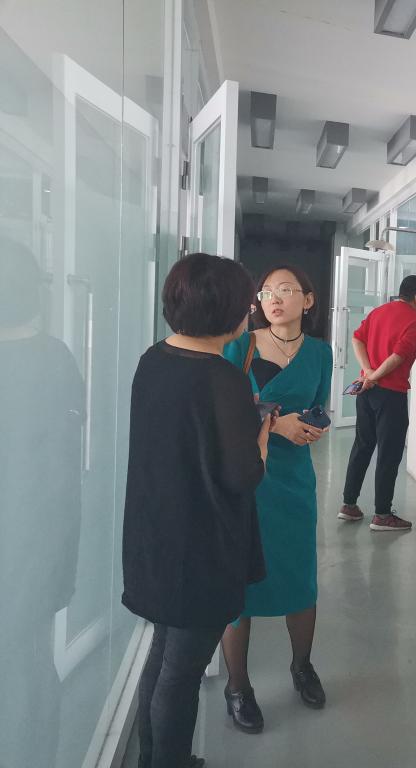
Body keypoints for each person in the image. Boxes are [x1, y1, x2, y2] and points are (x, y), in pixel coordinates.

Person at [122, 252, 270, 768]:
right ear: (225, 309)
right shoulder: (222, 379)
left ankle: (154, 759)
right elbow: (243, 475)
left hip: (155, 534)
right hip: (199, 548)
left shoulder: (153, 359)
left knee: (163, 656)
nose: (251, 310)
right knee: (180, 675)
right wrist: (262, 439)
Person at [220, 264, 333, 733]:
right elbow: (223, 409)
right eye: (267, 291)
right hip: (247, 478)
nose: (274, 299)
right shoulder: (239, 347)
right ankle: (238, 687)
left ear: (308, 299)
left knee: (299, 577)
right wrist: (275, 422)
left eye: (285, 290)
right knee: (239, 586)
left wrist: (315, 424)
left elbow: (321, 404)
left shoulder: (321, 352)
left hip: (294, 480)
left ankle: (302, 667)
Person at [0, 239, 83, 768]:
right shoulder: (55, 360)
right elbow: (65, 477)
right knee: (27, 668)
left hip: (27, 543)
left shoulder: (49, 361)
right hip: (33, 543)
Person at [338, 274, 416, 531]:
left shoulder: (379, 312)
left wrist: (367, 373)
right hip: (390, 395)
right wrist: (374, 376)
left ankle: (349, 505)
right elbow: (398, 356)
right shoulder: (415, 321)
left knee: (362, 446)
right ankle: (382, 515)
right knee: (389, 454)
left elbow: (357, 339)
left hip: (366, 393)